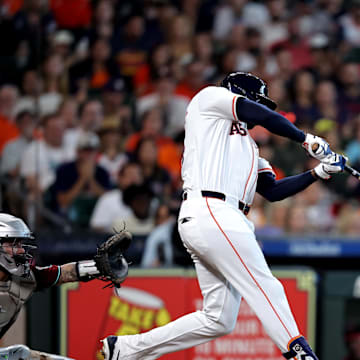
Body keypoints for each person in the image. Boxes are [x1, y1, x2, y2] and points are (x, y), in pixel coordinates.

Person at [101, 72, 347, 359]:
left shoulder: (249, 148)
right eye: (259, 99)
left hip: (216, 219)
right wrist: (306, 139)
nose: (263, 107)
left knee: (219, 319)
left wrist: (318, 172)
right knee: (266, 286)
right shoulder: (210, 99)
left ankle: (127, 349)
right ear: (239, 91)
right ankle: (301, 355)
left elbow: (273, 191)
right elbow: (257, 113)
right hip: (212, 210)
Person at [0, 212, 129, 359]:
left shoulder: (25, 278)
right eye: (13, 244)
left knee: (21, 354)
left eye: (20, 244)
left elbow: (63, 274)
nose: (21, 250)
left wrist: (98, 267)